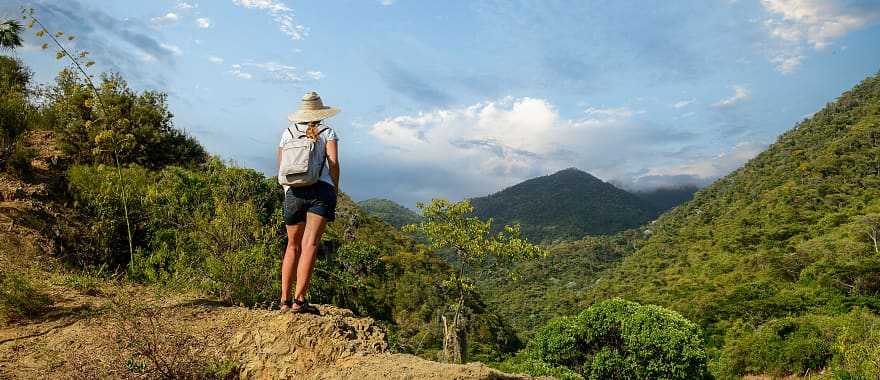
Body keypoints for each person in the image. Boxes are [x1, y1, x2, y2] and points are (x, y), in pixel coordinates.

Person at [277, 91, 340, 314]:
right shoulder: (328, 132)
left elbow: (282, 166)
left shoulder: (288, 132)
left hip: (294, 192)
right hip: (320, 192)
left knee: (292, 245)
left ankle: (284, 300)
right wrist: (335, 186)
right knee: (310, 244)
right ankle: (299, 301)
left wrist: (288, 191)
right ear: (321, 112)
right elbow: (333, 162)